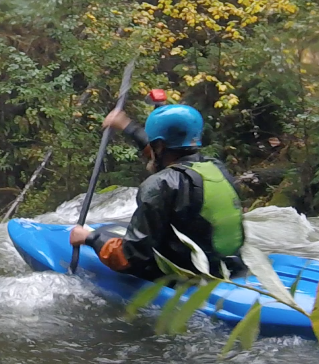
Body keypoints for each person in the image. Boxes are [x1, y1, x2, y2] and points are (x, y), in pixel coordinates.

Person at [69, 104, 247, 281]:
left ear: (160, 146)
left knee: (107, 230)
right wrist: (127, 126)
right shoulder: (215, 167)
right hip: (227, 266)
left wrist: (91, 237)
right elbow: (163, 154)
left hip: (187, 275)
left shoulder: (160, 185)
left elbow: (130, 258)